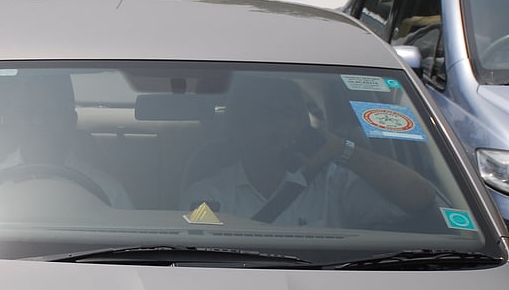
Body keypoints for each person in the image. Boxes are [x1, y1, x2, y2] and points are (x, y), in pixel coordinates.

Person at [180, 76, 435, 227]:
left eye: (288, 113)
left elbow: (420, 197)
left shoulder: (333, 184)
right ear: (239, 129)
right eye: (266, 113)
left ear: (301, 126)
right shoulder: (208, 194)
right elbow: (201, 250)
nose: (280, 123)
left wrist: (342, 150)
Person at [0, 72, 133, 210]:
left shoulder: (107, 191)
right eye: (28, 113)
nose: (38, 122)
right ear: (14, 122)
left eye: (49, 112)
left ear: (71, 121)